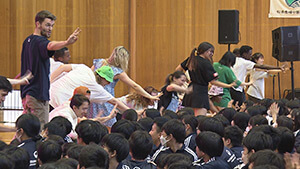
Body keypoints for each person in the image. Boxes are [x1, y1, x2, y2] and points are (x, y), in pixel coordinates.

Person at [20, 10, 81, 127]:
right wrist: (66, 42)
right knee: (40, 130)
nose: (50, 29)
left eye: (52, 26)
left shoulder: (27, 41)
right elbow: (50, 45)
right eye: (47, 25)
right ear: (38, 24)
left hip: (27, 94)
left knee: (27, 129)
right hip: (37, 96)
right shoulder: (40, 41)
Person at [90, 46, 160, 127]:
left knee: (107, 122)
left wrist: (149, 96)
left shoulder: (117, 71)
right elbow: (89, 76)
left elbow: (134, 86)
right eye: (113, 54)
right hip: (95, 95)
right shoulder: (100, 62)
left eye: (115, 56)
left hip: (105, 99)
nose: (112, 57)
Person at [175, 42, 236, 116]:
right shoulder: (206, 63)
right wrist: (228, 85)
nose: (212, 54)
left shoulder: (191, 59)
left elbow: (178, 69)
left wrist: (186, 80)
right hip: (200, 93)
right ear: (204, 51)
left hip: (190, 91)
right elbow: (213, 81)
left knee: (190, 118)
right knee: (200, 119)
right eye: (210, 51)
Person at [50, 64, 129, 115]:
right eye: (108, 81)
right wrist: (131, 112)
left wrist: (48, 83)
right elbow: (114, 101)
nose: (108, 84)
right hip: (59, 106)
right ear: (102, 78)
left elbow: (62, 67)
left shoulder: (84, 68)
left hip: (47, 95)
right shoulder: (96, 87)